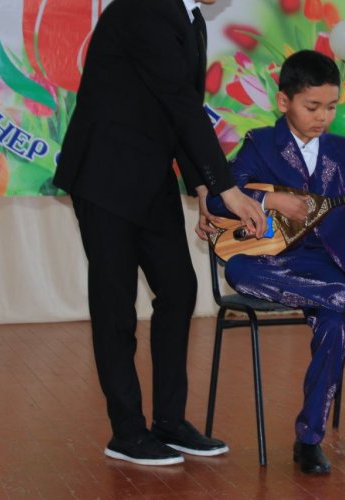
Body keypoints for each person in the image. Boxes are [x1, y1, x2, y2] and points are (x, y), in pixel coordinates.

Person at [53, 0, 267, 467]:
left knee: (179, 288)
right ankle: (127, 432)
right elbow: (180, 104)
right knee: (115, 304)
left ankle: (169, 422)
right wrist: (227, 190)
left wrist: (203, 189)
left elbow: (178, 111)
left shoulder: (190, 18)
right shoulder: (145, 7)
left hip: (150, 176)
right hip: (105, 174)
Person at [205, 50, 345, 475]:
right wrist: (270, 200)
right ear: (284, 102)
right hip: (270, 262)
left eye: (331, 107)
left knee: (337, 327)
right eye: (312, 107)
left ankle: (309, 439)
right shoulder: (260, 144)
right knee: (238, 271)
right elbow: (222, 198)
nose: (323, 118)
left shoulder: (340, 150)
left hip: (323, 266)